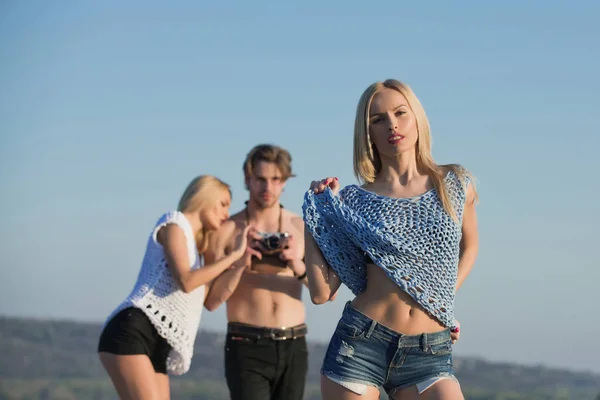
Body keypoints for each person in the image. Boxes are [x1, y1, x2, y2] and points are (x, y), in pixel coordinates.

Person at [303, 79, 479, 400]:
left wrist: (440, 299)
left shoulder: (453, 183)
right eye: (378, 119)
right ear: (367, 132)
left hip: (429, 351)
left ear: (417, 118)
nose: (392, 125)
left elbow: (470, 247)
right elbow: (321, 292)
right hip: (361, 342)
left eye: (400, 113)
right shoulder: (354, 200)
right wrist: (314, 217)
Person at [97, 175, 258, 400]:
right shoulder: (173, 224)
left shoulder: (196, 253)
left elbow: (209, 299)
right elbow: (186, 281)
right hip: (132, 331)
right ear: (205, 196)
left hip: (160, 342)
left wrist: (239, 263)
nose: (225, 214)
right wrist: (233, 256)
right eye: (222, 204)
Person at [204, 144, 313, 400]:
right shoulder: (227, 230)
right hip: (246, 343)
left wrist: (297, 263)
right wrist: (240, 261)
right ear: (247, 179)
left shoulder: (300, 227)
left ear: (285, 181)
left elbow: (326, 293)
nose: (267, 188)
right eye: (260, 179)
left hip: (294, 344)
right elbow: (211, 301)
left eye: (276, 180)